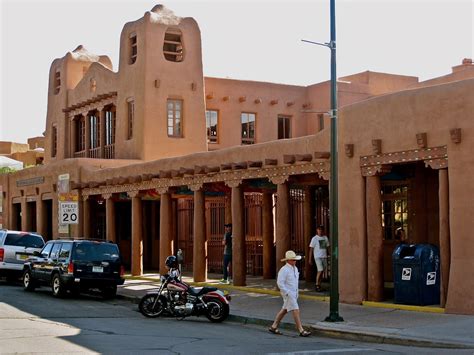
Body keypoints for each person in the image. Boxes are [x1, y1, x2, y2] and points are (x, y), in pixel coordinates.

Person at [269, 250, 311, 337]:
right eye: (292, 260)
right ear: (287, 260)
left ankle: (274, 326)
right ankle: (301, 330)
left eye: (295, 259)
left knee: (284, 310)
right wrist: (287, 292)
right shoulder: (284, 270)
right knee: (296, 310)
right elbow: (280, 283)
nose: (294, 261)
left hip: (294, 293)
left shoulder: (295, 269)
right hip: (288, 293)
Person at [308, 225, 329, 292]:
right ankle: (317, 284)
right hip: (317, 257)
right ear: (317, 230)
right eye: (319, 229)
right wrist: (310, 259)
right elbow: (311, 249)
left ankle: (319, 285)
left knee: (322, 271)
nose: (320, 231)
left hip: (324, 256)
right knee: (320, 270)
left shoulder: (325, 238)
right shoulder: (314, 238)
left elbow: (328, 247)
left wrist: (330, 255)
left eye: (321, 229)